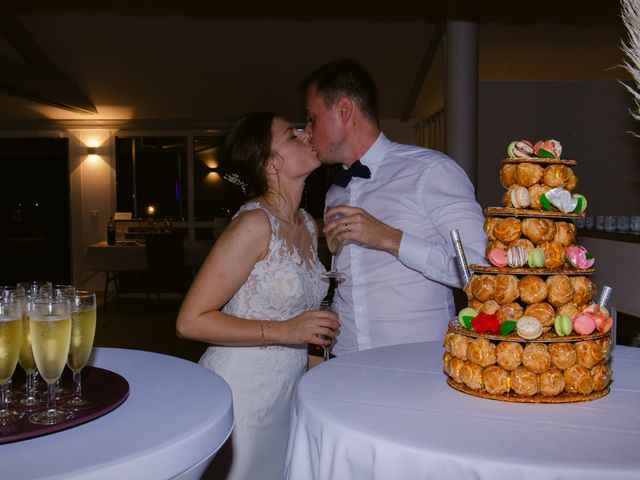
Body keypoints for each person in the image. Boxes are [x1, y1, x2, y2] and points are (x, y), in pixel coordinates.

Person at [176, 112, 339, 480]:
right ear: (269, 164)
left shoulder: (308, 224)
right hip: (241, 394)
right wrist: (286, 332)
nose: (304, 134)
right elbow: (190, 320)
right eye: (290, 135)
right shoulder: (253, 224)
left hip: (287, 393)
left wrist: (315, 372)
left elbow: (306, 318)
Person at [301, 58, 487, 356]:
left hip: (416, 362)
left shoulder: (432, 171)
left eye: (312, 118)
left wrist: (391, 239)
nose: (307, 131)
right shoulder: (335, 192)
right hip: (344, 359)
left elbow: (479, 271)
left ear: (344, 110)